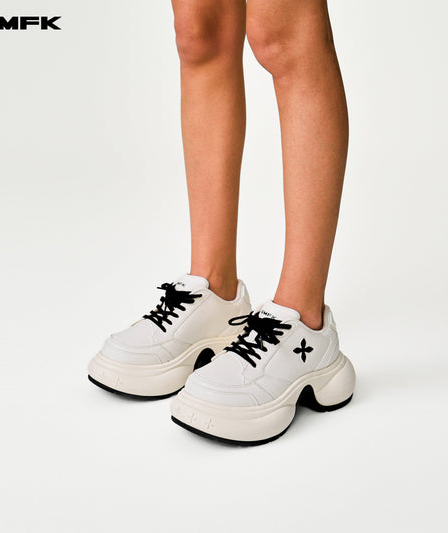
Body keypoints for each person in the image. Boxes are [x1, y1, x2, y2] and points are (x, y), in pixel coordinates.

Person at [88, 0, 356, 445]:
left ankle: (305, 320)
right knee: (200, 31)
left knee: (285, 33)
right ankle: (214, 291)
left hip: (306, 326)